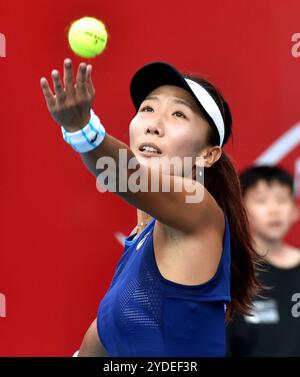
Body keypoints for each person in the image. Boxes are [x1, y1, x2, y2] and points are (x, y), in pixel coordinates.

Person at [40, 59, 261, 357]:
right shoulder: (139, 242)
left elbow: (129, 176)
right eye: (147, 109)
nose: (154, 125)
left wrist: (83, 130)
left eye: (178, 114)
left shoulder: (199, 208)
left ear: (208, 155)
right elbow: (98, 342)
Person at [226, 165, 300, 357]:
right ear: (240, 210)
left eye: (282, 200)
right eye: (261, 201)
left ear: (295, 210)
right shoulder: (231, 270)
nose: (274, 210)